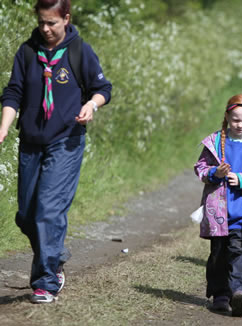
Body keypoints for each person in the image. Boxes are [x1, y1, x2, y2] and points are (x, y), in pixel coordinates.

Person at [0, 0, 112, 304]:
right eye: (41, 23)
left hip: (67, 140)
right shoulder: (27, 52)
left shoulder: (79, 51)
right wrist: (4, 127)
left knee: (48, 210)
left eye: (52, 22)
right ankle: (57, 252)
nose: (46, 29)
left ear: (66, 18)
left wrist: (91, 104)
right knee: (26, 215)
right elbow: (14, 92)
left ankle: (47, 281)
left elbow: (103, 89)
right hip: (31, 142)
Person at [194, 93, 242, 317]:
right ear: (228, 117)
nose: (240, 125)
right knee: (219, 255)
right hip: (218, 214)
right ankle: (220, 296)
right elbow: (200, 168)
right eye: (236, 119)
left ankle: (240, 293)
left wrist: (241, 179)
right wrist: (214, 173)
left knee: (241, 254)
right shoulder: (214, 143)